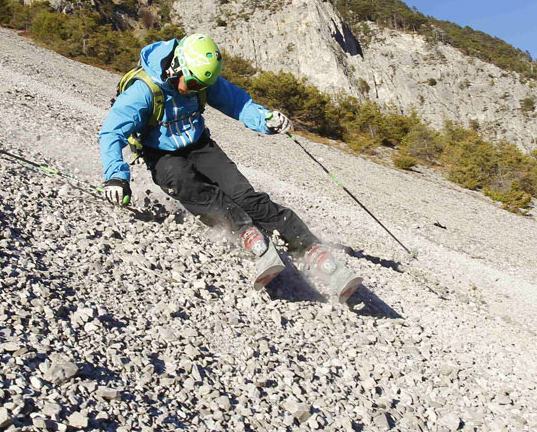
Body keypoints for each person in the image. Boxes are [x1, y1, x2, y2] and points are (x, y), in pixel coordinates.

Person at [98, 33, 349, 293]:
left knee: (244, 194)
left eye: (201, 86)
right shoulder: (143, 91)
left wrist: (266, 119)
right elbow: (111, 133)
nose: (197, 90)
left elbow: (238, 103)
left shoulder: (202, 79)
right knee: (187, 184)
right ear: (176, 68)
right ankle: (245, 232)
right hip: (161, 153)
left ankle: (309, 245)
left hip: (199, 144)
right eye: (193, 84)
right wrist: (116, 177)